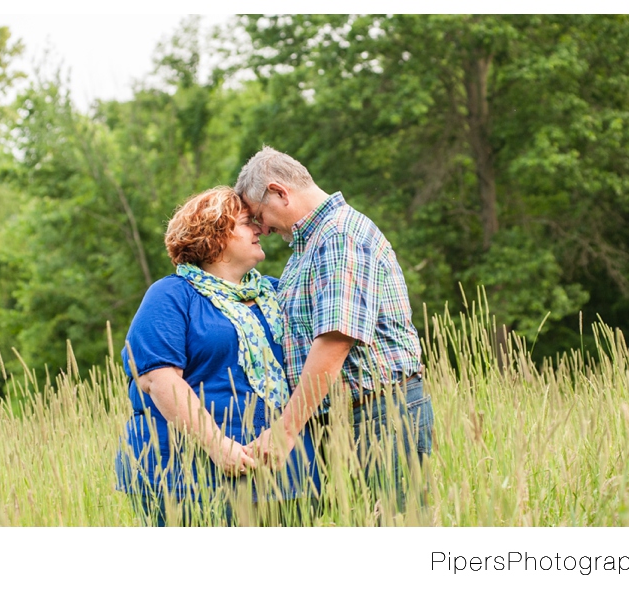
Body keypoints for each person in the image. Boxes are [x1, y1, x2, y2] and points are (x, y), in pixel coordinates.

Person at [235, 146, 434, 513]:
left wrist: (286, 429)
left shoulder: (339, 236)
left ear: (280, 192)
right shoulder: (308, 247)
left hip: (379, 414)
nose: (261, 228)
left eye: (260, 215)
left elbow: (333, 343)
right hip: (346, 418)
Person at [114, 186, 320, 526]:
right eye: (245, 223)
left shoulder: (275, 291)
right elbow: (158, 378)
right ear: (214, 236)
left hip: (285, 474)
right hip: (188, 477)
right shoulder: (172, 295)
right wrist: (217, 446)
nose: (258, 229)